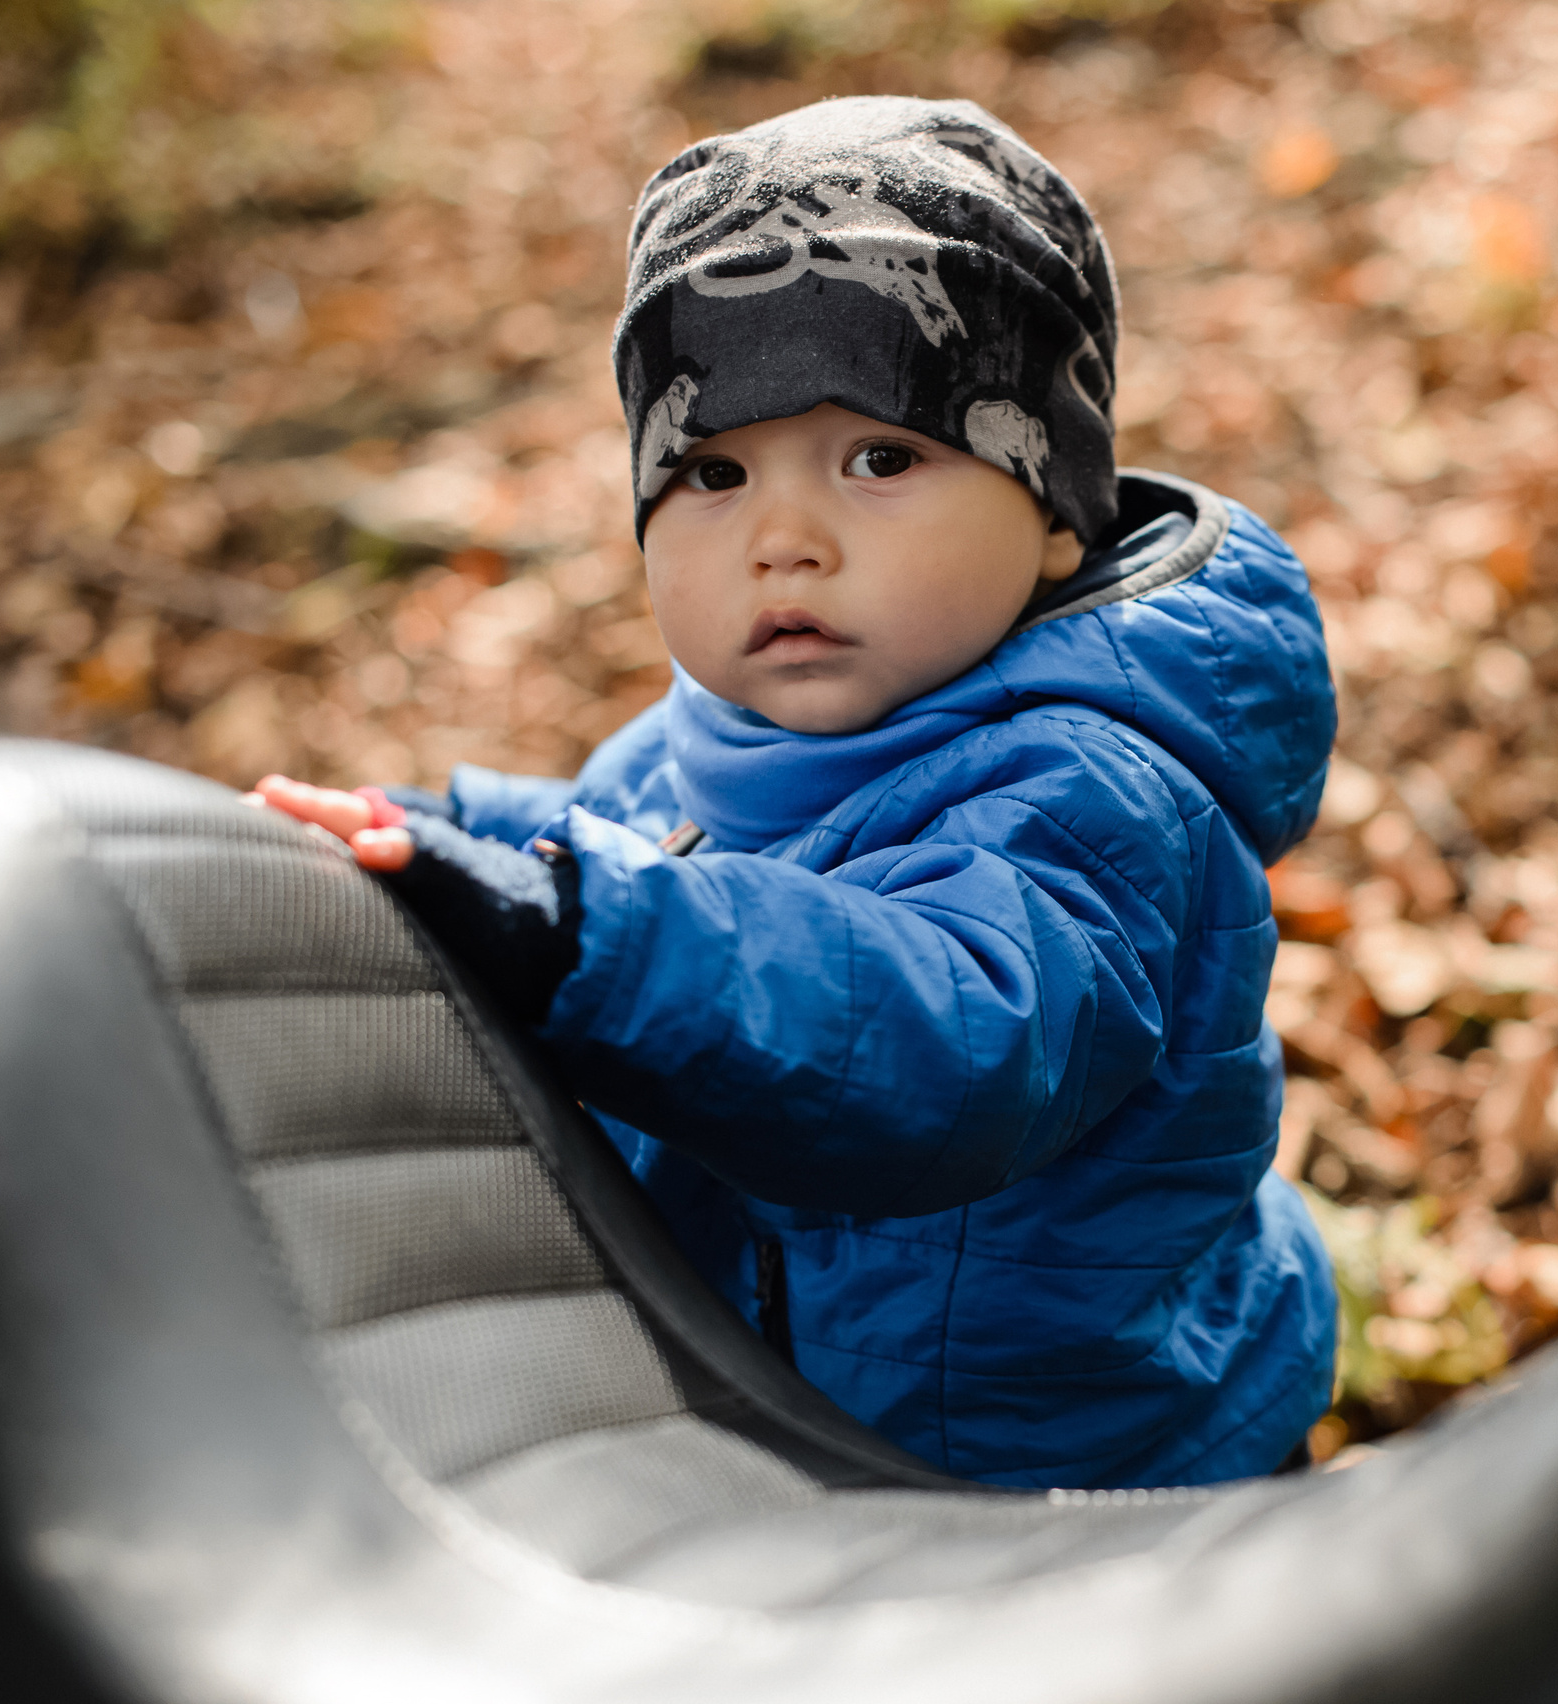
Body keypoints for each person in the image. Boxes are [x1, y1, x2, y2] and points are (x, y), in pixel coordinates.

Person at [248, 96, 1338, 1489]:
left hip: (1073, 1478)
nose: (784, 542)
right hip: (797, 1441)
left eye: (879, 458)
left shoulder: (1094, 793)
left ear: (1056, 511)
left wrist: (582, 930)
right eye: (712, 472)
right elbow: (631, 851)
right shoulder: (698, 741)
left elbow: (946, 1042)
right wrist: (435, 838)